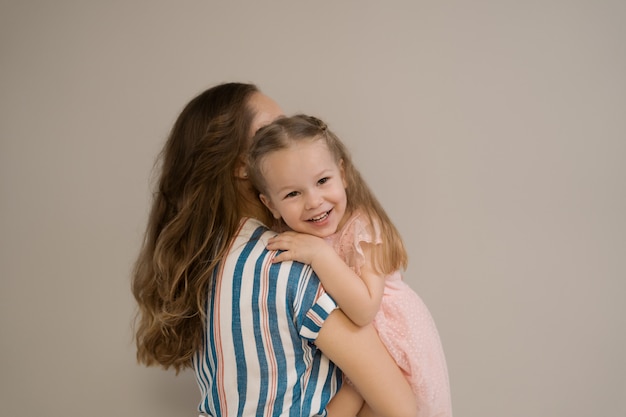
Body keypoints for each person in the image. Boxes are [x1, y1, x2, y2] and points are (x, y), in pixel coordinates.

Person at [131, 82, 418, 417]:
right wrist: (357, 387)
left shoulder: (205, 269)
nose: (289, 138)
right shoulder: (288, 265)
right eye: (270, 132)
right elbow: (399, 407)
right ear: (242, 164)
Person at [248, 115, 453, 417]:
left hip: (393, 346)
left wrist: (320, 254)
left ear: (342, 174)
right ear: (270, 204)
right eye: (293, 193)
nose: (314, 201)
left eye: (322, 181)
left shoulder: (363, 227)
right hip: (353, 355)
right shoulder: (292, 239)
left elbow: (364, 309)